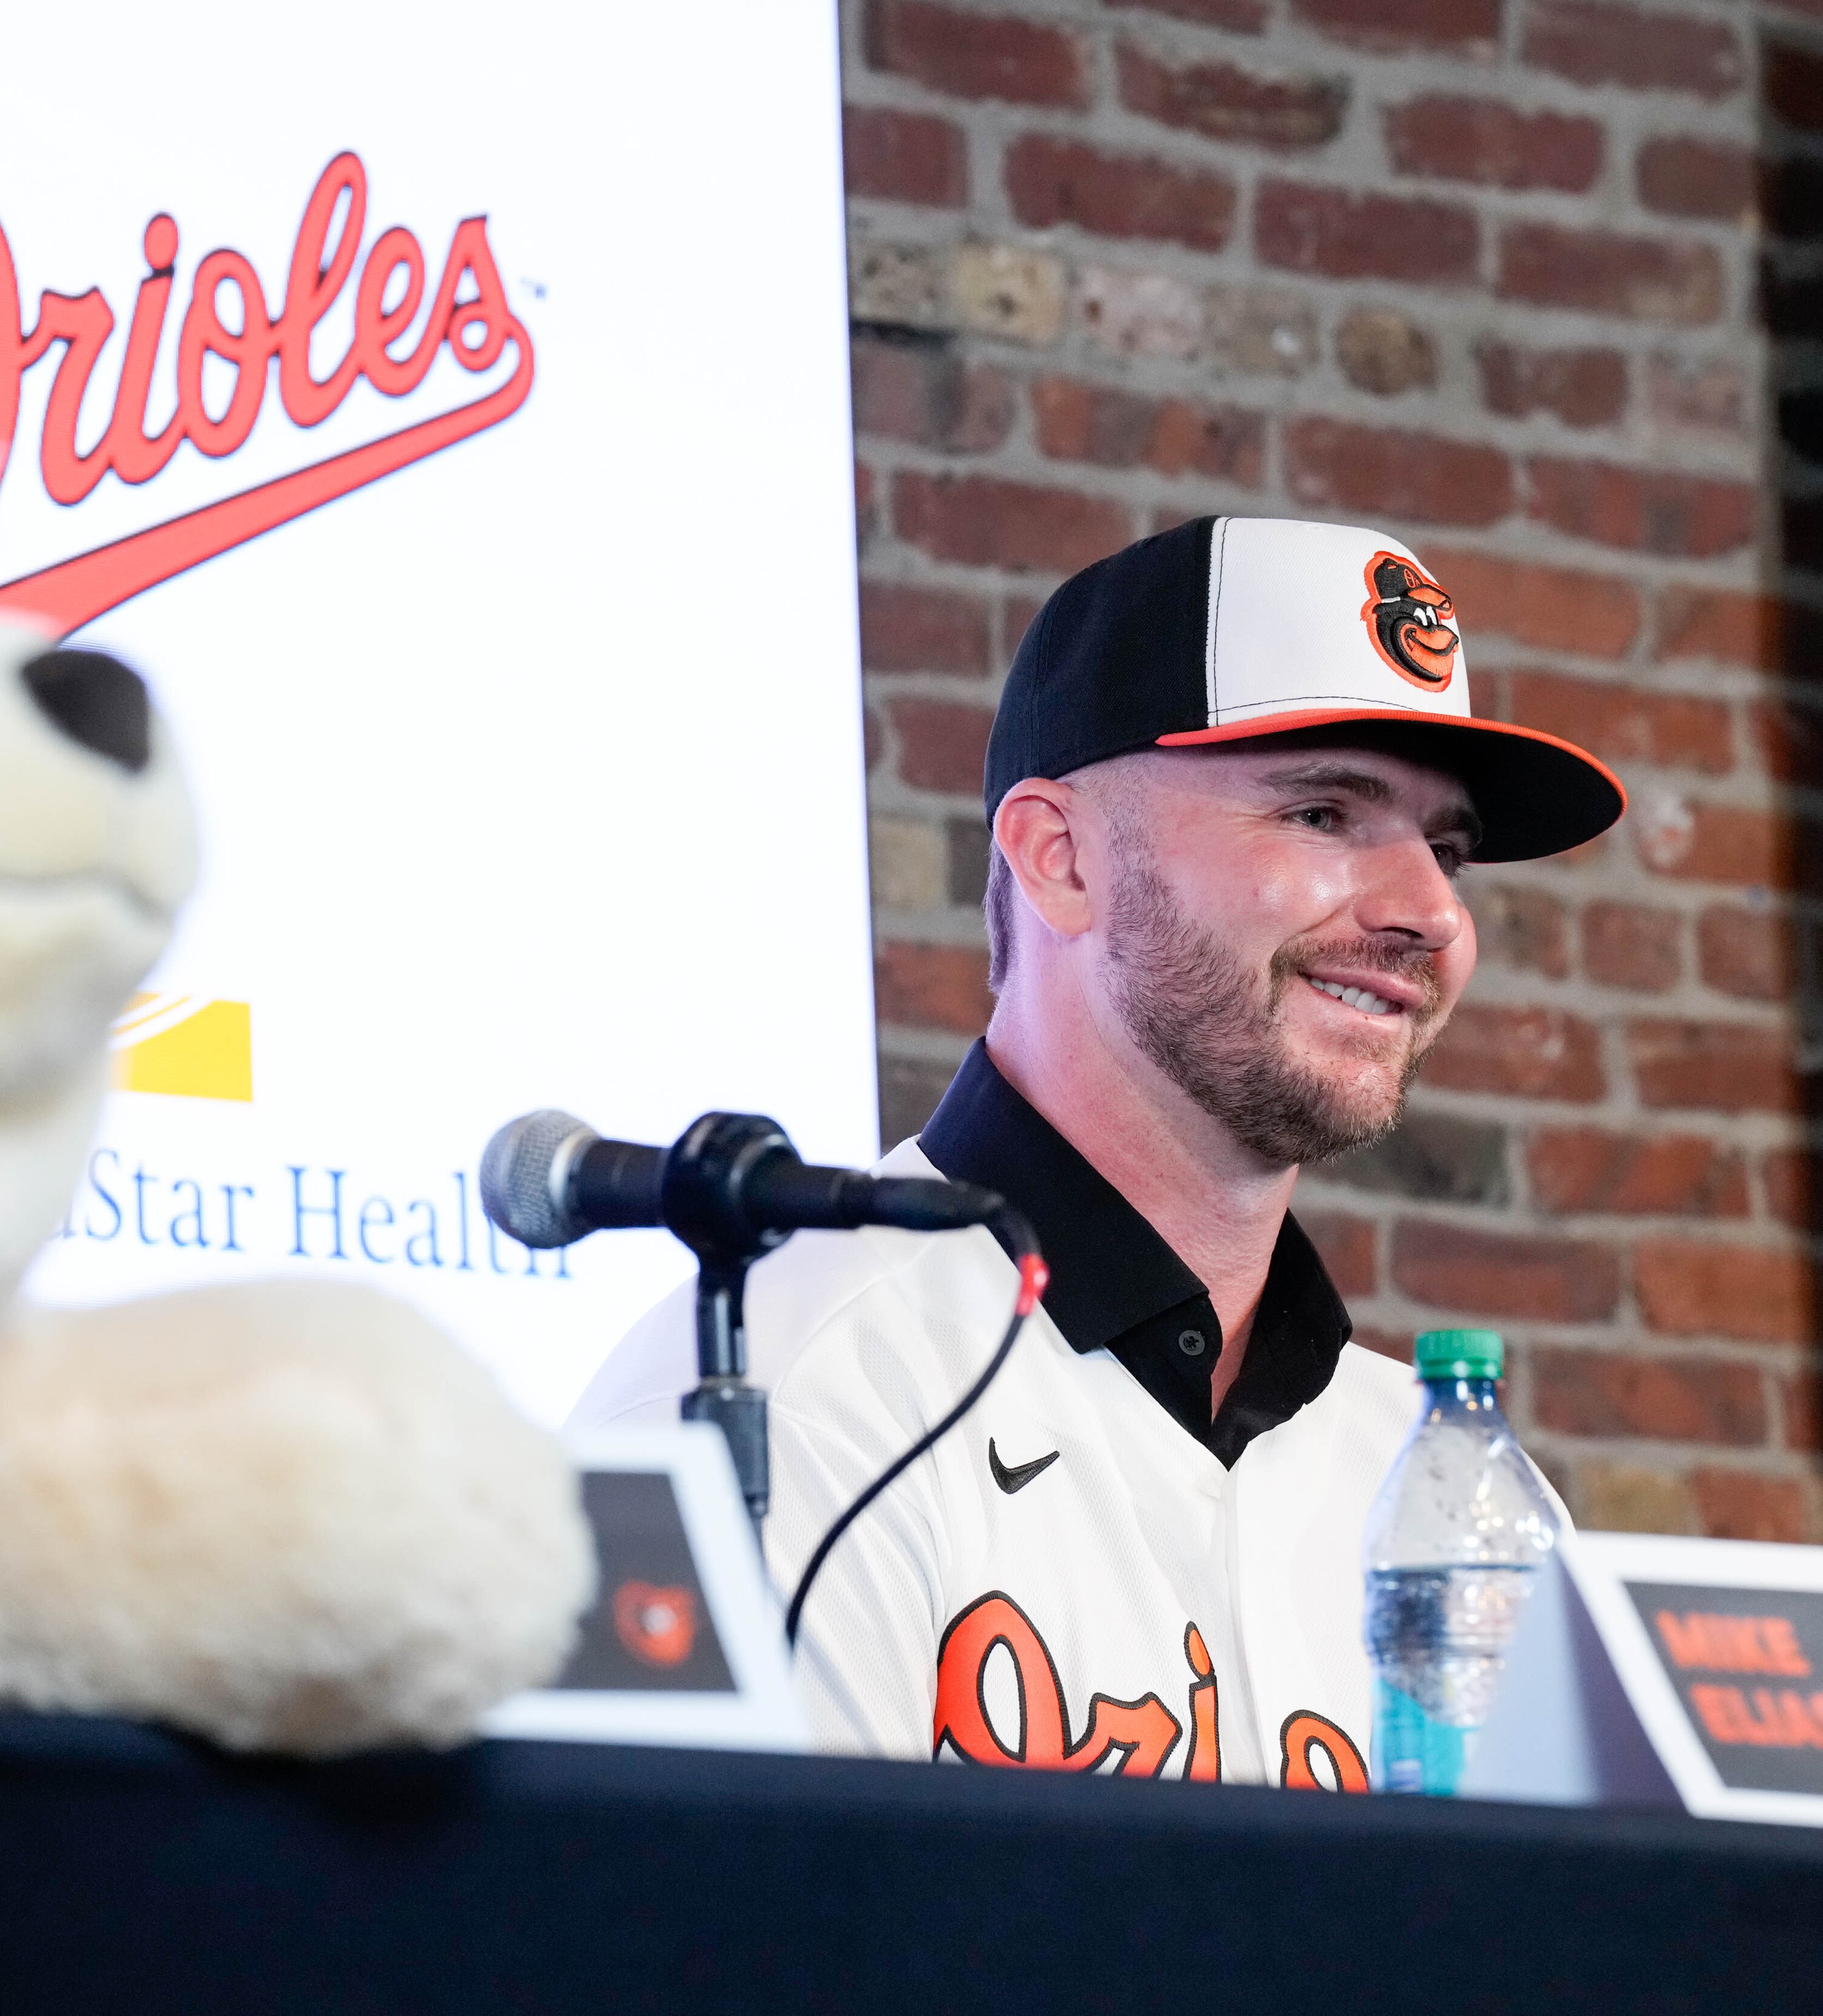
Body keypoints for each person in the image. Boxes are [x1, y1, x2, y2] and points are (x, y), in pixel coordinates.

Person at [567, 516, 1624, 1788]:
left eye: (1444, 848)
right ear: (1058, 858)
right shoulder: (782, 1384)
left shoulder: (1434, 1475)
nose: (1431, 914)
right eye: (1322, 809)